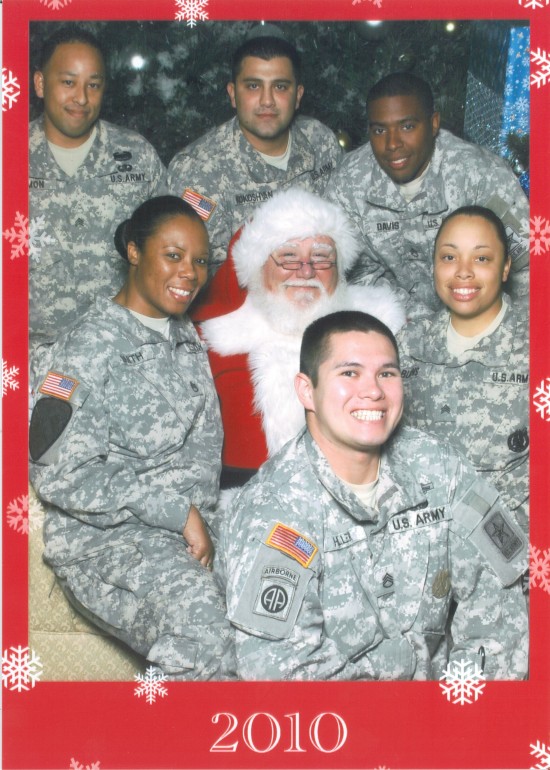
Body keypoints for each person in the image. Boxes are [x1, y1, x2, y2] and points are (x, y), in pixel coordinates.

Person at [221, 310, 528, 680]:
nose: (373, 391)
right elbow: (284, 672)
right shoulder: (274, 510)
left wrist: (463, 702)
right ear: (306, 390)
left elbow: (498, 606)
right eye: (350, 373)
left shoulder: (440, 466)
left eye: (386, 373)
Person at [29, 196, 234, 681]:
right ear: (134, 251)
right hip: (109, 541)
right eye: (173, 255)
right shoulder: (85, 347)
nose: (189, 273)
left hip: (196, 532)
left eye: (200, 261)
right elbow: (61, 474)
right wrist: (178, 513)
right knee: (204, 636)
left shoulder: (184, 336)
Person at [199, 188, 405, 487]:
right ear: (258, 267)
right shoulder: (216, 344)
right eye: (288, 257)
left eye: (321, 257)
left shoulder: (384, 330)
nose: (306, 271)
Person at [325, 72, 529, 319]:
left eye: (407, 126)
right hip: (393, 321)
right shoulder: (348, 182)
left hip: (481, 322)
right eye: (379, 130)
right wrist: (421, 324)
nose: (392, 144)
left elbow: (527, 269)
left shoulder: (481, 175)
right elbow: (346, 276)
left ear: (433, 124)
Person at [29, 26, 167, 373]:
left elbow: (170, 252)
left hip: (124, 357)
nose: (81, 98)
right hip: (30, 360)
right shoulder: (10, 154)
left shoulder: (137, 157)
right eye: (68, 82)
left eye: (93, 85)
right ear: (40, 84)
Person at [167, 25, 343, 277]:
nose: (267, 100)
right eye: (253, 86)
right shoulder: (198, 170)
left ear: (298, 96)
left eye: (280, 87)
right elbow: (202, 277)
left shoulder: (321, 141)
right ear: (232, 94)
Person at [397, 206, 528, 536]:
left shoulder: (537, 346)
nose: (464, 272)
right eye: (449, 257)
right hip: (422, 543)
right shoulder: (404, 346)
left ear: (505, 267)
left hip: (513, 548)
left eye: (481, 258)